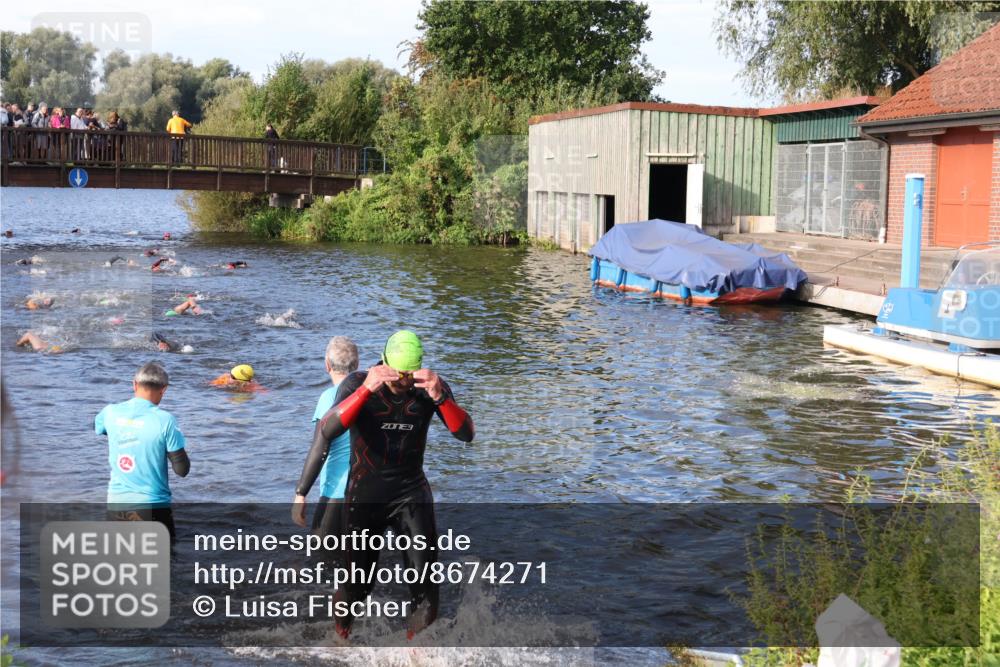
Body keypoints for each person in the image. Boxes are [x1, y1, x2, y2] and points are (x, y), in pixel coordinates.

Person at [295, 330, 475, 640]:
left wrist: (440, 396)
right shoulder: (358, 383)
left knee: (425, 582)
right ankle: (341, 636)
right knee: (357, 586)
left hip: (411, 491)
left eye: (408, 376)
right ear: (384, 361)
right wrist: (366, 390)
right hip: (365, 493)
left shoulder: (429, 387)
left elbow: (466, 434)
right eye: (396, 375)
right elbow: (328, 430)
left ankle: (414, 651)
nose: (402, 383)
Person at [96, 362, 189, 541]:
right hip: (153, 506)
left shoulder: (110, 412)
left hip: (117, 504)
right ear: (164, 389)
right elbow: (182, 470)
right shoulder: (166, 420)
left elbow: (98, 428)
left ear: (134, 384)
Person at [292, 337, 359, 535]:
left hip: (336, 493)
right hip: (367, 490)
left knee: (320, 558)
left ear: (327, 365)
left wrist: (300, 494)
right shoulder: (368, 395)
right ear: (357, 365)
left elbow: (319, 447)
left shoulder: (328, 398)